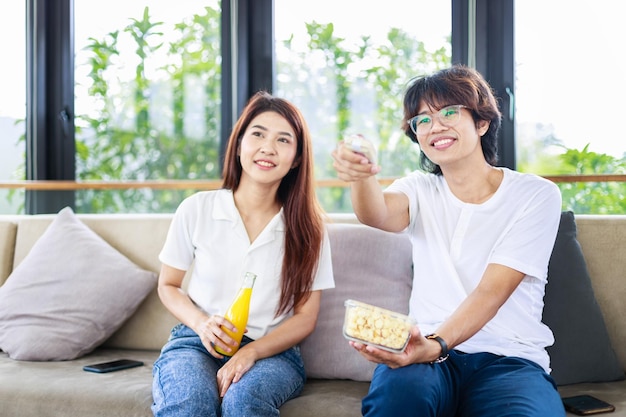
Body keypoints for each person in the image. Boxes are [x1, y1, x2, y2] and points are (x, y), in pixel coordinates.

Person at [332, 65, 565, 416]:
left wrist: (436, 343)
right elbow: (375, 214)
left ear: (482, 122)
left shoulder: (535, 195)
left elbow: (491, 292)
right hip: (422, 356)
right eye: (422, 120)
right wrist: (362, 174)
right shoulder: (419, 189)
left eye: (449, 112)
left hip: (508, 358)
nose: (434, 126)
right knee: (396, 404)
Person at [152, 91, 335, 417]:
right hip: (196, 341)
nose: (268, 147)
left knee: (243, 403)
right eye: (258, 134)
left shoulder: (309, 228)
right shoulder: (197, 208)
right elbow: (168, 286)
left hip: (272, 352)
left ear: (296, 159)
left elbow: (306, 316)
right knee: (190, 404)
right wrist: (202, 323)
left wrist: (251, 353)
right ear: (238, 145)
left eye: (283, 140)